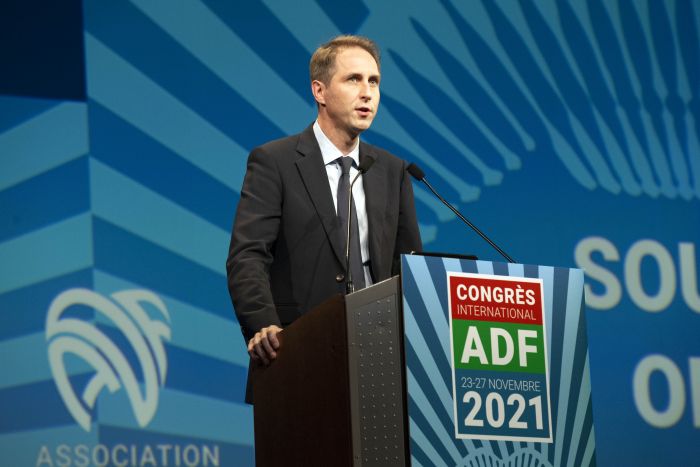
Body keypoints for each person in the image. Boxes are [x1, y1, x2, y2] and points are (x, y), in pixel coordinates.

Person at [226, 35, 421, 402]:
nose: (367, 93)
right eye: (354, 79)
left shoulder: (392, 171)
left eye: (374, 81)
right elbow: (247, 256)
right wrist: (264, 325)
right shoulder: (276, 162)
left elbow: (405, 269)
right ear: (320, 90)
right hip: (298, 356)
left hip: (382, 364)